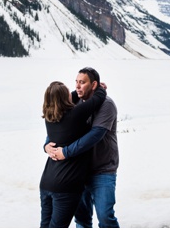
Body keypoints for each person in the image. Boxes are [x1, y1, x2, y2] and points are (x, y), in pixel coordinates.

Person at [45, 67, 120, 228]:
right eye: (76, 82)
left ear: (93, 85)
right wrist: (47, 145)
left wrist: (65, 152)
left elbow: (95, 135)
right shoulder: (73, 102)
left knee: (106, 217)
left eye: (82, 82)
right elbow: (59, 126)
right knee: (82, 219)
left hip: (102, 169)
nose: (77, 86)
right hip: (77, 172)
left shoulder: (106, 105)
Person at [39, 81, 107, 228]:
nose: (73, 92)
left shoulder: (49, 118)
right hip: (66, 185)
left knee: (45, 227)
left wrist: (45, 147)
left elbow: (69, 97)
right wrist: (98, 88)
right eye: (68, 92)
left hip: (46, 183)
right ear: (65, 97)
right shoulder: (76, 114)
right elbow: (98, 98)